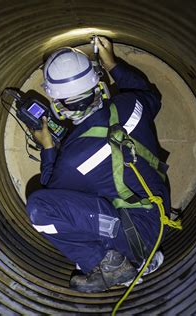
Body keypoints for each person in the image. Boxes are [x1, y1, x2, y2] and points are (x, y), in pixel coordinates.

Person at [25, 37, 172, 293]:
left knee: (39, 208)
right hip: (159, 213)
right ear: (98, 83)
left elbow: (51, 195)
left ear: (58, 107)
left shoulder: (72, 160)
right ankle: (139, 256)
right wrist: (113, 64)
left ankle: (117, 264)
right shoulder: (131, 104)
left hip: (136, 234)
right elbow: (151, 96)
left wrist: (48, 149)